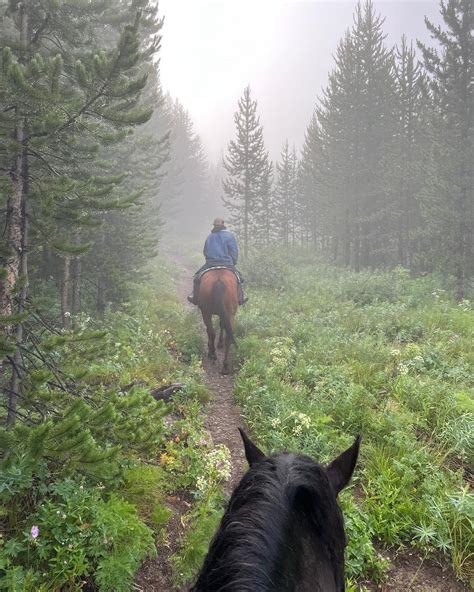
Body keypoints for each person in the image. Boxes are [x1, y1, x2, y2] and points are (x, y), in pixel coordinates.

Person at [188, 218, 248, 305]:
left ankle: (194, 296)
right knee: (239, 278)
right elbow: (234, 251)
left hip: (211, 263)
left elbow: (205, 251)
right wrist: (233, 262)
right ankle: (242, 297)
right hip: (227, 263)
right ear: (223, 226)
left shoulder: (209, 237)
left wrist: (209, 258)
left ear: (214, 226)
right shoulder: (230, 236)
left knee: (197, 277)